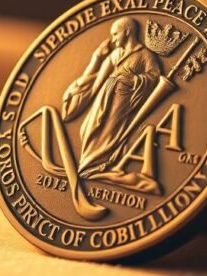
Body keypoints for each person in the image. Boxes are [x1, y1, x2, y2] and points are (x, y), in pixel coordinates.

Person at [62, 18, 162, 177]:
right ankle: (85, 165)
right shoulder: (115, 55)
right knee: (88, 128)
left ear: (127, 31)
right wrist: (96, 59)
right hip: (103, 99)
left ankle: (94, 166)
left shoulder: (145, 55)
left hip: (122, 102)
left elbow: (154, 77)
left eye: (115, 34)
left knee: (109, 134)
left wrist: (135, 80)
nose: (113, 39)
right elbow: (96, 80)